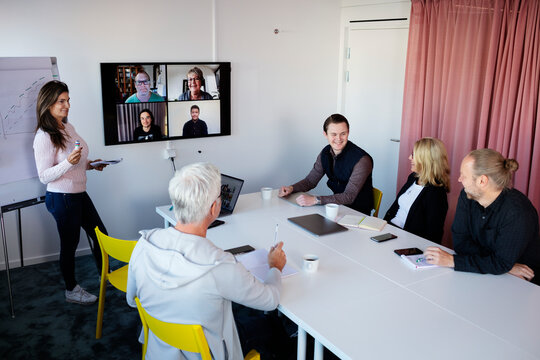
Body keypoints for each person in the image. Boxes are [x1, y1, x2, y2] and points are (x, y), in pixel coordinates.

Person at [126, 162, 287, 359]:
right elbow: (270, 300)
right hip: (208, 354)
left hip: (158, 348)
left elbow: (132, 300)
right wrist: (275, 267)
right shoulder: (221, 266)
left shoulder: (144, 244)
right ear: (214, 207)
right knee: (272, 326)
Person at [33, 80, 109, 304]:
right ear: (48, 104)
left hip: (78, 193)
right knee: (70, 245)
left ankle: (105, 276)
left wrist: (90, 164)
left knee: (100, 235)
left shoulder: (67, 127)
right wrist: (68, 162)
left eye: (68, 100)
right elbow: (44, 175)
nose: (67, 105)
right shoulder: (43, 136)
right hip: (61, 197)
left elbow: (75, 162)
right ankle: (71, 290)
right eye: (61, 101)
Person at [424, 149, 540, 285]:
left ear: (482, 181)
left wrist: (452, 261)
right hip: (494, 272)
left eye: (464, 175)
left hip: (521, 282)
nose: (459, 179)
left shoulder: (518, 212)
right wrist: (501, 265)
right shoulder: (466, 196)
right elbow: (460, 242)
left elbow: (501, 262)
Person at [279, 113, 374, 214]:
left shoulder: (362, 160)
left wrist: (315, 200)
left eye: (343, 134)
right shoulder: (325, 153)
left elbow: (349, 196)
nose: (338, 139)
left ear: (348, 133)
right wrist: (291, 188)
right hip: (337, 208)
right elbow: (310, 181)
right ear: (325, 134)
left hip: (358, 214)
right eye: (333, 134)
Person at [383, 138, 450, 243]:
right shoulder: (413, 178)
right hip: (390, 230)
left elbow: (433, 234)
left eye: (413, 155)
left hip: (405, 241)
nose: (409, 158)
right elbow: (395, 208)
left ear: (426, 160)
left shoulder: (436, 194)